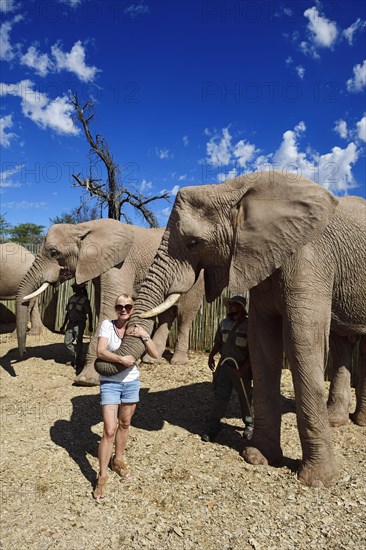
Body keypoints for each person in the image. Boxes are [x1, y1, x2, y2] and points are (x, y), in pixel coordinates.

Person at [93, 293, 158, 500]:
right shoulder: (107, 325)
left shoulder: (136, 328)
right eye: (120, 306)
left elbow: (155, 355)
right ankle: (102, 476)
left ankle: (118, 460)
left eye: (127, 306)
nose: (123, 310)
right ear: (115, 308)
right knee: (109, 430)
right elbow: (100, 352)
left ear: (133, 308)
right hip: (110, 383)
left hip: (131, 383)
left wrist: (144, 335)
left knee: (125, 423)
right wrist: (120, 358)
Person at [202, 294, 254, 443]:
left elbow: (253, 351)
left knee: (245, 397)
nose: (230, 306)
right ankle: (214, 426)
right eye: (229, 304)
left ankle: (250, 424)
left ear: (241, 308)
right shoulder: (224, 323)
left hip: (241, 369)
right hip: (225, 366)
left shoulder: (249, 326)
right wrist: (211, 355)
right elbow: (219, 342)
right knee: (220, 396)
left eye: (234, 304)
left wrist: (244, 368)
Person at [60, 282, 93, 372]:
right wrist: (63, 325)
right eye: (73, 287)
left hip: (80, 323)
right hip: (71, 323)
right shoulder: (71, 299)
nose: (73, 289)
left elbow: (89, 313)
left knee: (79, 342)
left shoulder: (85, 300)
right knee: (67, 342)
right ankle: (75, 358)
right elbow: (68, 313)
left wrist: (90, 324)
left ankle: (77, 362)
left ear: (80, 289)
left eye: (75, 287)